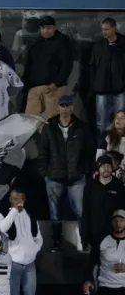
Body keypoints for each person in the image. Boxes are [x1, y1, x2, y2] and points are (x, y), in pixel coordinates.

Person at [37, 94, 92, 252]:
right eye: (62, 105)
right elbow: (43, 152)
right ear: (58, 107)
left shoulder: (82, 127)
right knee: (55, 214)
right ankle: (56, 244)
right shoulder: (49, 127)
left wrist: (84, 170)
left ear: (72, 107)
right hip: (54, 177)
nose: (65, 108)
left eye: (67, 105)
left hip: (77, 178)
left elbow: (88, 151)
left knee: (81, 212)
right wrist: (45, 173)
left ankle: (85, 243)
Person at [0, 188, 42, 295]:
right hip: (13, 264)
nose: (18, 201)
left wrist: (33, 250)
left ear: (25, 199)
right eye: (14, 198)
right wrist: (14, 211)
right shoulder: (2, 215)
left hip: (29, 264)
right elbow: (3, 228)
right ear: (10, 200)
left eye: (20, 198)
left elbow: (38, 238)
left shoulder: (30, 216)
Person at [22, 15, 74, 118]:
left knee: (53, 118)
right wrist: (28, 85)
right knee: (30, 119)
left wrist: (57, 83)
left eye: (49, 28)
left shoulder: (62, 41)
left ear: (54, 27)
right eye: (43, 28)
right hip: (34, 88)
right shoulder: (36, 43)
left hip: (54, 88)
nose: (46, 31)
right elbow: (29, 64)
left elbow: (67, 65)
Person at [90, 18, 125, 137]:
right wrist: (95, 84)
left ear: (114, 28)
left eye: (106, 29)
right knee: (102, 122)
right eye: (102, 29)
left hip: (120, 90)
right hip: (102, 90)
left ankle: (119, 145)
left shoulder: (123, 44)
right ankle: (102, 145)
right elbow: (92, 66)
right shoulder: (98, 46)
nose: (104, 32)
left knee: (120, 122)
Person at [82, 155, 125, 250]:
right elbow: (85, 212)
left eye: (108, 166)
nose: (106, 169)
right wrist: (84, 238)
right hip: (94, 233)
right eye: (103, 166)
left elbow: (123, 210)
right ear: (98, 168)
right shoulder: (90, 186)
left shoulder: (118, 185)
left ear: (112, 168)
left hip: (113, 234)